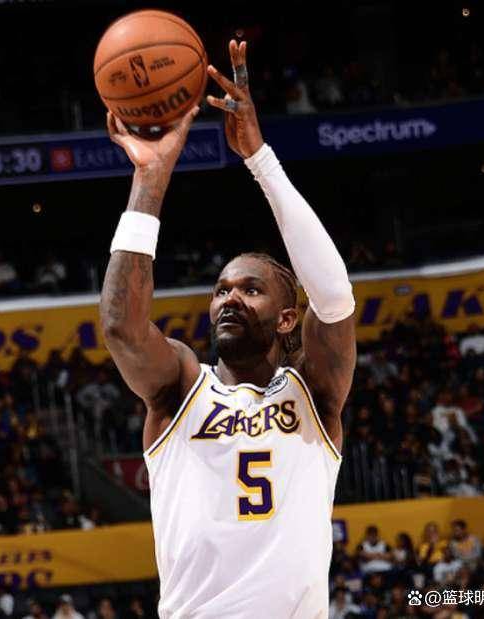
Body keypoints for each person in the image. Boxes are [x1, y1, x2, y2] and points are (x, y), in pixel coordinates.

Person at [100, 39, 356, 618]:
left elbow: (335, 297)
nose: (230, 298)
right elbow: (120, 326)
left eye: (250, 289)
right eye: (220, 290)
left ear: (287, 318)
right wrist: (150, 177)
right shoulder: (179, 387)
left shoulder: (315, 392)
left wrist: (260, 159)